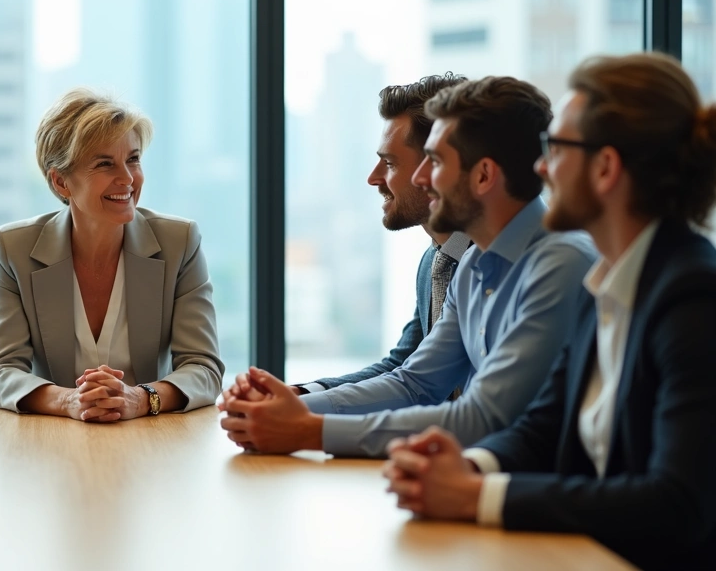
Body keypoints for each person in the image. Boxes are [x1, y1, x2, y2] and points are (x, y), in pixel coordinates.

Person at [383, 53, 716, 570]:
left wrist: (477, 496)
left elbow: (676, 504)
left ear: (605, 167)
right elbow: (545, 425)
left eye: (556, 149)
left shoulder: (692, 297)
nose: (540, 168)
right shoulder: (608, 281)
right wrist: (465, 466)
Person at [221, 76, 596, 457]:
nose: (421, 179)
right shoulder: (472, 264)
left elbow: (485, 417)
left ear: (483, 175)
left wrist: (306, 430)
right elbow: (414, 382)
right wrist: (282, 411)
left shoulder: (562, 263)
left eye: (434, 162)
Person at [0, 88, 224, 421]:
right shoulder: (14, 248)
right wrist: (70, 401)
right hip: (50, 442)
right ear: (61, 182)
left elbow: (203, 368)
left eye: (133, 159)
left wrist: (139, 399)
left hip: (154, 440)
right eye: (104, 164)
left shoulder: (179, 242)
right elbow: (0, 370)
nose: (127, 179)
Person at [288, 74, 471, 395]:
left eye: (389, 163)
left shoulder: (488, 263)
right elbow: (403, 366)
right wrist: (304, 393)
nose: (373, 178)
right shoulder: (434, 261)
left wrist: (308, 419)